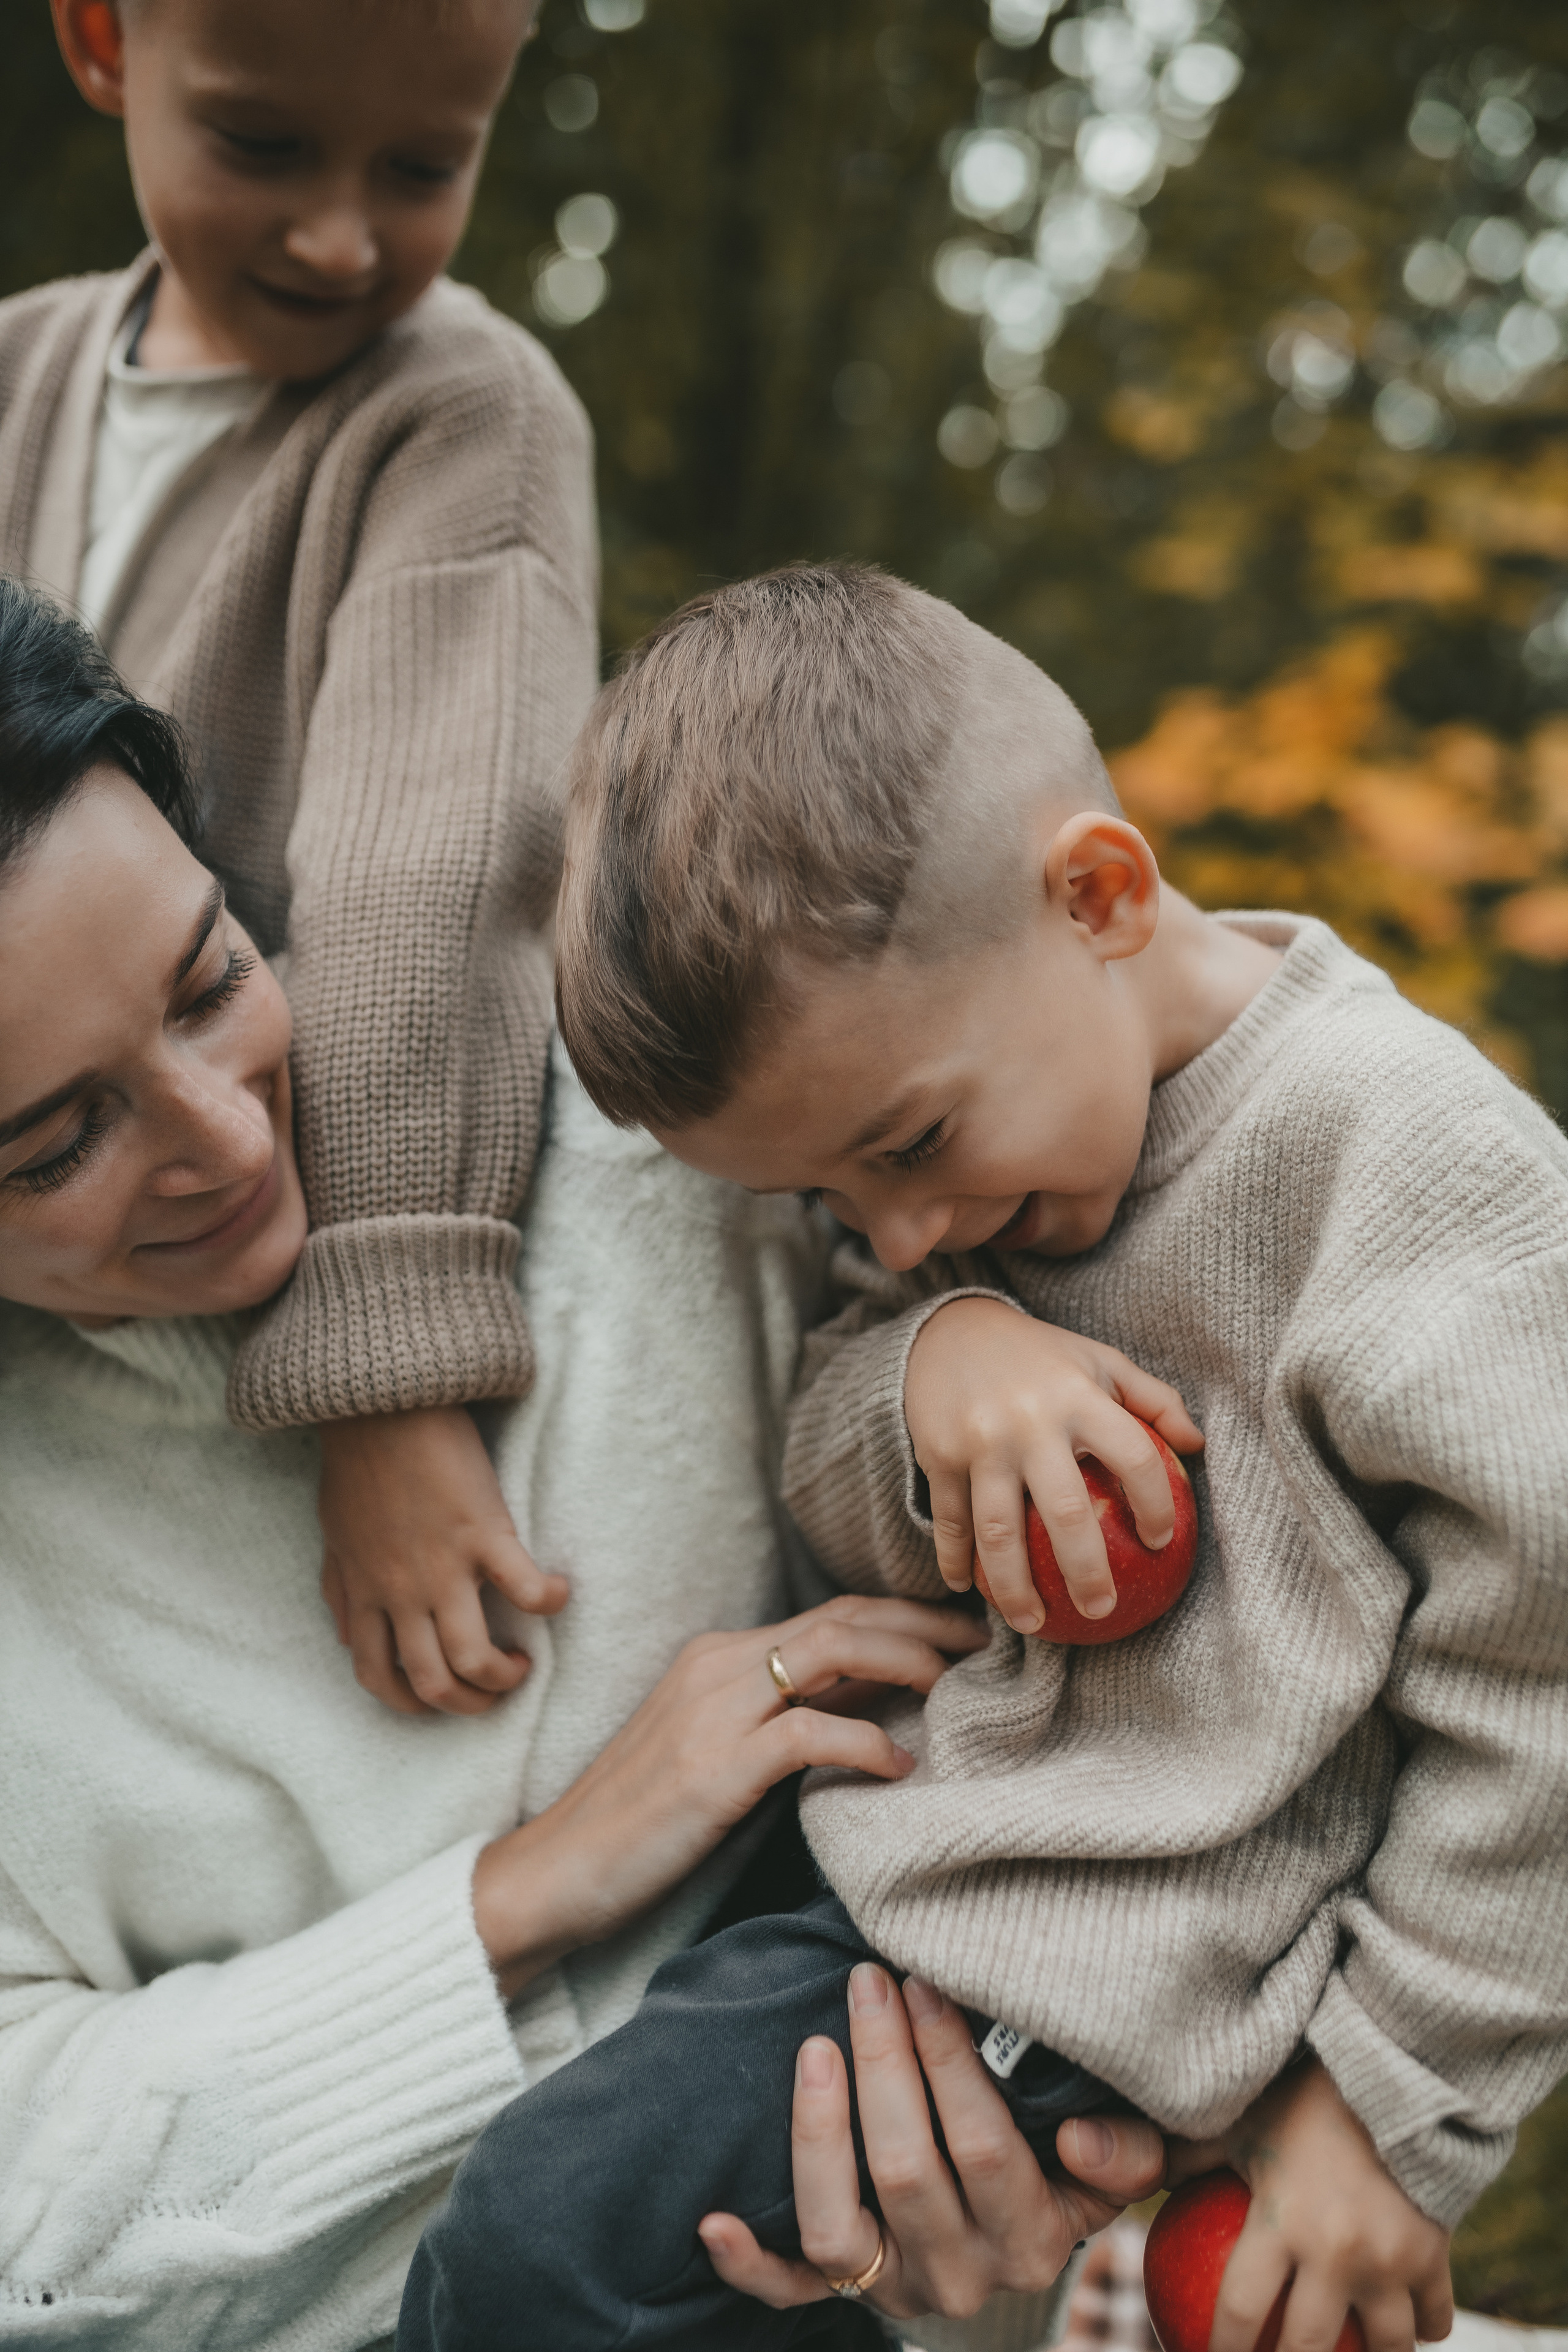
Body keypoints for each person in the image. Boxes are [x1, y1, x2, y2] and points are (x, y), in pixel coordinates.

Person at [398, 562, 1568, 2350]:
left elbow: (1543, 1687)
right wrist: (935, 1352)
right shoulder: (985, 1165)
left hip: (1109, 1949)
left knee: (543, 2248)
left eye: (914, 1143)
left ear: (1098, 894)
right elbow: (834, 1457)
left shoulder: (1412, 1175)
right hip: (916, 1863)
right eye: (833, 1199)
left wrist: (1389, 2111)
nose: (905, 1219)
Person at [1, 582, 1183, 2348]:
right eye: (56, 1140)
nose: (228, 1133)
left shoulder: (652, 1117)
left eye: (212, 979)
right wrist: (538, 1885)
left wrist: (956, 1341)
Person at [0, 0, 600, 1721]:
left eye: (425, 166)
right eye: (265, 147)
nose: (345, 236)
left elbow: (439, 874)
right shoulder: (18, 375)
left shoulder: (462, 407)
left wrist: (386, 1362)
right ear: (106, 45)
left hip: (308, 1200)